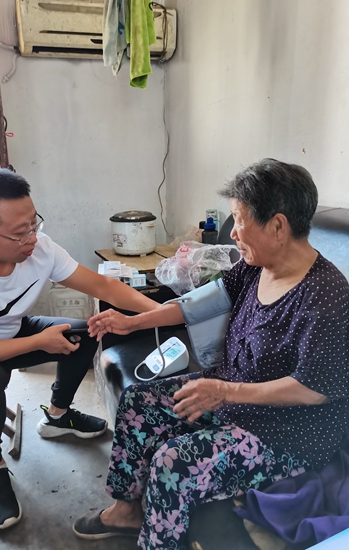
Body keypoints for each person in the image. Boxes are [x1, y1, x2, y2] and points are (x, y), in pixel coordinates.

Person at [74, 158, 349, 549]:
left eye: (239, 220)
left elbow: (312, 390)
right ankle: (126, 512)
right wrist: (133, 322)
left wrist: (225, 392)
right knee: (138, 403)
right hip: (233, 393)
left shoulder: (327, 299)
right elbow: (199, 303)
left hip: (287, 434)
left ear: (278, 226)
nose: (232, 233)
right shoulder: (257, 266)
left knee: (173, 462)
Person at [0, 168, 160, 530]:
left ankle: (57, 416)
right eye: (20, 232)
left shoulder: (40, 248)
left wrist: (166, 313)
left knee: (87, 331)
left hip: (10, 331)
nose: (32, 238)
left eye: (34, 223)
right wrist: (39, 341)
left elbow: (104, 286)